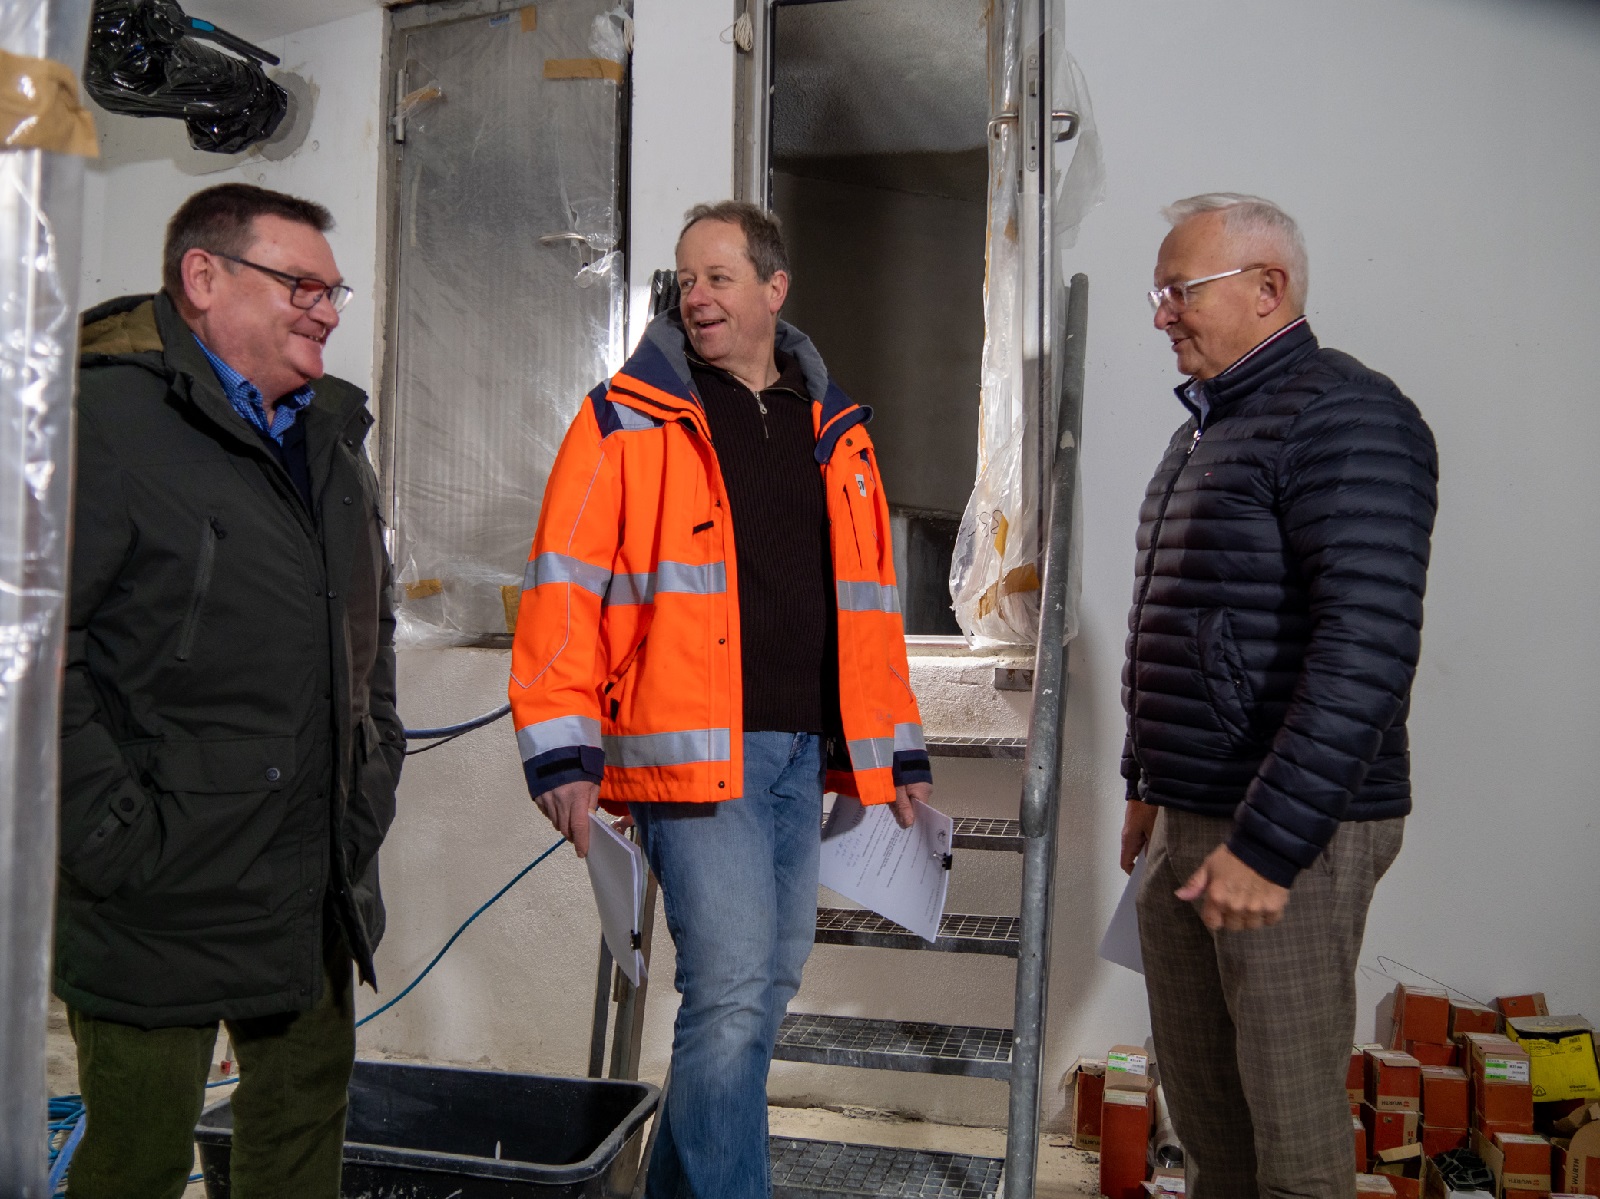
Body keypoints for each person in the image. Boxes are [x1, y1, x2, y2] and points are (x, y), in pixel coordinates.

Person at [509, 201, 933, 1198]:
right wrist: (561, 747)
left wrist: (896, 749)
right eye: (685, 279)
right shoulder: (624, 416)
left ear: (774, 289)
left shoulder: (836, 430)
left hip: (799, 751)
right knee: (733, 991)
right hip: (690, 751)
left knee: (766, 984)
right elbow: (563, 587)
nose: (696, 296)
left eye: (719, 276)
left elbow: (870, 611)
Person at [57, 183, 403, 1199]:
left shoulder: (333, 437)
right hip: (153, 888)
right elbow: (31, 653)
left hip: (309, 881)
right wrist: (113, 830)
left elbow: (369, 633)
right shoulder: (101, 420)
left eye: (334, 292)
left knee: (299, 1142)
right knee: (136, 1161)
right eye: (301, 283)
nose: (326, 310)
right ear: (203, 278)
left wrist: (371, 766)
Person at [1119, 193, 1438, 1199]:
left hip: (1289, 828)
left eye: (1181, 290)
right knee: (1210, 1117)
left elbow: (1366, 646)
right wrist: (1145, 777)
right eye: (1157, 291)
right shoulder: (1205, 429)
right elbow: (1178, 620)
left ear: (1269, 289)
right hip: (1192, 809)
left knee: (1290, 1135)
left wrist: (1266, 843)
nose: (1162, 312)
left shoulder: (1349, 415)